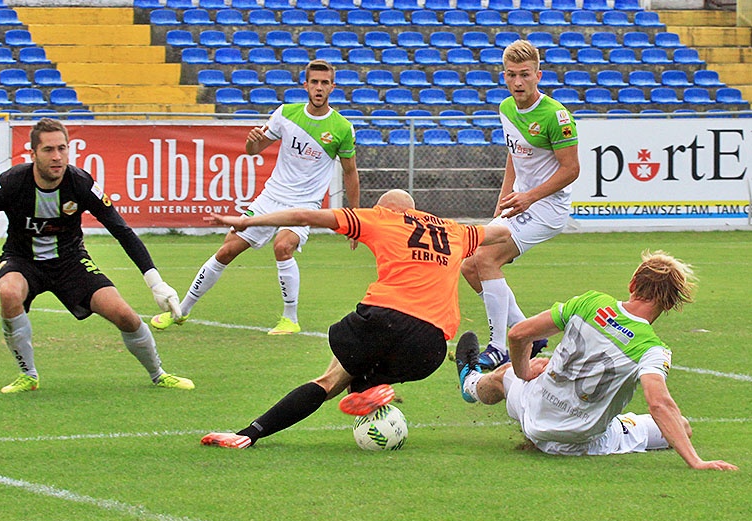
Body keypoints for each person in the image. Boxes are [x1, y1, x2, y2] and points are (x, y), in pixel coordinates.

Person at [198, 189, 510, 449]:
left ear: (382, 208)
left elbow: (303, 216)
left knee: (329, 381)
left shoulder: (380, 217)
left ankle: (249, 434)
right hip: (430, 346)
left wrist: (245, 220)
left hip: (382, 318)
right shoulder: (452, 230)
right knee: (364, 373)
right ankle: (369, 386)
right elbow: (500, 233)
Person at [0, 118, 194, 393]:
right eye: (48, 150)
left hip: (71, 261)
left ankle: (158, 374)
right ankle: (28, 375)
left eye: (62, 148)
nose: (57, 157)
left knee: (125, 315)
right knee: (9, 293)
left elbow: (121, 230)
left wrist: (156, 283)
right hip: (22, 260)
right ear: (32, 154)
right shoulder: (10, 183)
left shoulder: (80, 183)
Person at [453, 250, 738, 471]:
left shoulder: (590, 303)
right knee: (683, 426)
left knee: (506, 375)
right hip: (580, 442)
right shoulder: (652, 349)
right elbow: (659, 404)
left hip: (532, 413)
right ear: (671, 304)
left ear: (632, 284)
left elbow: (517, 335)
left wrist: (525, 371)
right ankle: (621, 426)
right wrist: (696, 461)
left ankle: (471, 382)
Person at [150, 59, 360, 336]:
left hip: (305, 204)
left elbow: (350, 173)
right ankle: (181, 312)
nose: (319, 88)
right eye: (314, 82)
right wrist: (251, 141)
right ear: (305, 84)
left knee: (283, 246)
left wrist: (354, 219)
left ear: (333, 87)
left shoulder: (342, 128)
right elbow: (254, 150)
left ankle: (290, 318)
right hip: (271, 197)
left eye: (324, 83)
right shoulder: (285, 114)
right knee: (227, 250)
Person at [460, 39, 580, 371]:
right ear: (504, 76)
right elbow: (514, 156)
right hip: (519, 204)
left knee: (486, 258)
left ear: (538, 75)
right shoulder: (506, 109)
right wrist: (505, 199)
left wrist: (529, 196)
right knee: (469, 265)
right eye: (511, 75)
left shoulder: (556, 115)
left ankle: (500, 345)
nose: (518, 82)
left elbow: (572, 170)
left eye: (524, 75)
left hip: (546, 208)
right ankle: (531, 334)